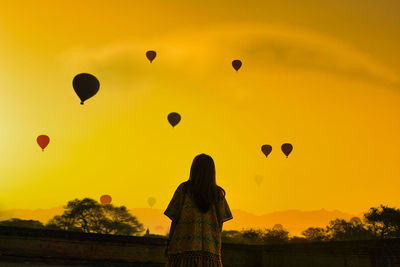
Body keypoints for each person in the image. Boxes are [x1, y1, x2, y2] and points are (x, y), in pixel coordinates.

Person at [164, 154, 233, 267]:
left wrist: (169, 243)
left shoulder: (184, 190)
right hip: (210, 252)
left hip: (182, 249)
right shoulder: (217, 194)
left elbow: (174, 219)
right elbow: (220, 224)